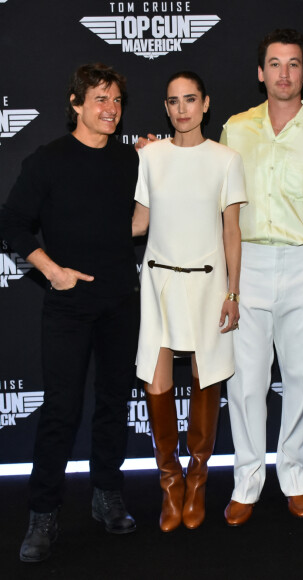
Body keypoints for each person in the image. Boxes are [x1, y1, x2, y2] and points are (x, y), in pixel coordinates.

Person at [0, 63, 140, 562]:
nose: (110, 109)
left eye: (117, 100)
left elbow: (135, 221)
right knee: (60, 410)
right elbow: (12, 222)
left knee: (112, 404)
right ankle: (43, 515)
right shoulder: (48, 161)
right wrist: (50, 269)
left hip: (122, 301)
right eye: (100, 99)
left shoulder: (131, 161)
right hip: (67, 306)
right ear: (76, 105)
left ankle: (106, 496)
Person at [220, 29, 303, 526]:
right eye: (274, 64)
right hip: (248, 263)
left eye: (292, 64)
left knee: (301, 379)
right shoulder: (235, 130)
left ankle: (294, 476)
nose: (283, 73)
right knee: (246, 384)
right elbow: (220, 204)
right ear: (261, 73)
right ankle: (247, 481)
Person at [132, 71, 246, 532]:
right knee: (155, 381)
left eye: (190, 99)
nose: (182, 109)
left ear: (206, 104)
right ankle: (169, 480)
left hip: (207, 283)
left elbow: (232, 232)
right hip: (157, 282)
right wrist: (80, 236)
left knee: (205, 379)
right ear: (166, 107)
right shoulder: (150, 157)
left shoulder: (226, 159)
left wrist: (233, 292)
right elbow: (138, 224)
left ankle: (198, 479)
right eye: (174, 101)